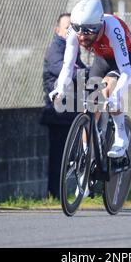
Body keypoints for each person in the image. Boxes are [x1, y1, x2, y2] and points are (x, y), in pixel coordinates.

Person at [49, 0, 131, 158]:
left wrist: (115, 96)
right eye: (79, 29)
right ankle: (86, 154)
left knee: (105, 92)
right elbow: (67, 66)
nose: (83, 36)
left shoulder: (113, 28)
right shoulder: (73, 32)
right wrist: (60, 89)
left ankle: (121, 137)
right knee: (91, 105)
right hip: (103, 59)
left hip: (126, 59)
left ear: (100, 25)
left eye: (89, 31)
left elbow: (125, 71)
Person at [41, 13, 87, 198]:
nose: (70, 31)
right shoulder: (55, 51)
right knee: (59, 158)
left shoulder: (74, 51)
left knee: (71, 157)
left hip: (71, 113)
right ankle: (55, 194)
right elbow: (69, 73)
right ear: (57, 30)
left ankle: (68, 192)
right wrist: (93, 72)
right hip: (58, 114)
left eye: (73, 28)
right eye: (66, 27)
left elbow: (81, 72)